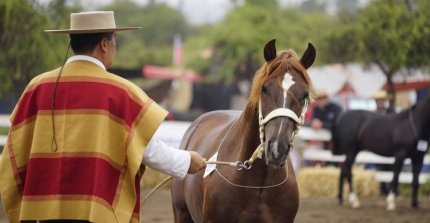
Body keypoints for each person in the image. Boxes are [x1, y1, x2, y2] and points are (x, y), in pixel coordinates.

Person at [0, 11, 206, 223]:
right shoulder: (122, 92)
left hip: (43, 213)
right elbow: (147, 150)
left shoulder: (36, 87)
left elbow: (13, 153)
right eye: (114, 40)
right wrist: (187, 160)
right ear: (104, 45)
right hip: (96, 213)